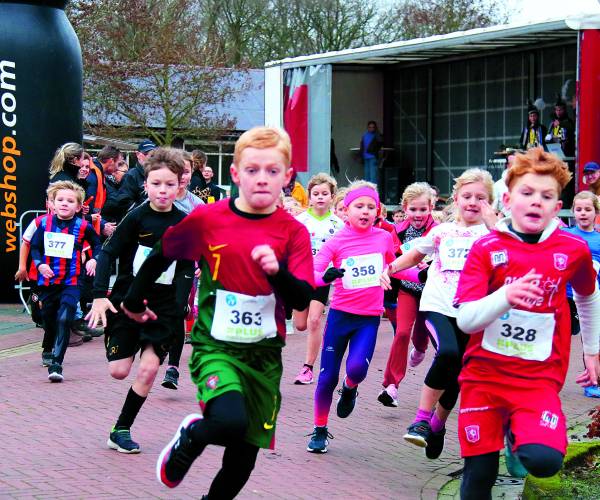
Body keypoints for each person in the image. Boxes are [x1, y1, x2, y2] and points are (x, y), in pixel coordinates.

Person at [117, 127, 314, 496]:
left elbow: (303, 298)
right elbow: (161, 256)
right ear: (236, 174)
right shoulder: (209, 219)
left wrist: (277, 272)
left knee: (243, 458)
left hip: (265, 355)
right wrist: (132, 301)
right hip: (216, 347)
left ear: (287, 177)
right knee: (228, 422)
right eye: (252, 170)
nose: (262, 179)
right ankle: (192, 435)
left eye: (273, 171)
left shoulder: (293, 233)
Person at [453, 148, 600, 498]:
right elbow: (466, 320)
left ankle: (518, 428)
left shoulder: (573, 250)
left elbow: (588, 296)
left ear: (556, 204)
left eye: (547, 196)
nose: (536, 202)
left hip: (537, 379)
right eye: (527, 193)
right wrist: (506, 295)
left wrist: (591, 351)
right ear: (507, 199)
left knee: (543, 459)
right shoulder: (485, 249)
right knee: (480, 475)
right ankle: (501, 429)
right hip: (484, 377)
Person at [382, 169, 497, 460]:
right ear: (456, 198)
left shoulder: (494, 234)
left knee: (457, 373)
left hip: (472, 311)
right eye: (467, 196)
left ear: (490, 202)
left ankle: (438, 425)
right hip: (438, 305)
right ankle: (421, 420)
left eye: (480, 198)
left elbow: (513, 256)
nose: (472, 202)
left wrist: (497, 226)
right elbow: (416, 255)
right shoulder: (442, 231)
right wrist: (392, 269)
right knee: (447, 353)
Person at [86, 147, 192, 454]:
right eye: (156, 184)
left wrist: (180, 304)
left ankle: (121, 429)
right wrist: (98, 296)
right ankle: (122, 342)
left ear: (178, 186)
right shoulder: (136, 217)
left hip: (161, 309)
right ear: (145, 184)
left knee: (148, 370)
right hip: (126, 302)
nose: (162, 190)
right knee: (119, 371)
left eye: (169, 184)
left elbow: (186, 269)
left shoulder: (184, 224)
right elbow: (107, 253)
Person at [306, 181, 396, 453]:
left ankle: (350, 388)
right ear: (345, 211)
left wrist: (421, 275)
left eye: (371, 207)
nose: (365, 211)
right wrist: (326, 277)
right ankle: (320, 429)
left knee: (356, 369)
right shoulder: (336, 241)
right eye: (359, 206)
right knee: (326, 377)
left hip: (367, 318)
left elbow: (396, 267)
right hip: (340, 316)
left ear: (377, 211)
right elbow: (313, 272)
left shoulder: (383, 238)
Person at [29, 181, 101, 381]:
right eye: (60, 200)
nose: (64, 204)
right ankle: (47, 346)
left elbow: (97, 244)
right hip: (49, 280)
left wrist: (94, 259)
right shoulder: (44, 224)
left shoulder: (83, 226)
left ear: (78, 207)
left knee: (65, 318)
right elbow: (35, 247)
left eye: (70, 201)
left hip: (72, 280)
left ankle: (56, 364)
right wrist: (39, 264)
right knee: (49, 318)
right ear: (52, 203)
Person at [377, 183, 437, 407]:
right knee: (402, 333)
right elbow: (393, 260)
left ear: (431, 207)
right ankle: (392, 386)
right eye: (413, 209)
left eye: (423, 209)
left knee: (421, 341)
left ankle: (420, 350)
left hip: (431, 294)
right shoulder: (397, 231)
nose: (418, 215)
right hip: (407, 291)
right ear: (404, 207)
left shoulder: (439, 230)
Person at [293, 173, 344, 385]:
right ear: (310, 197)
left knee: (315, 321)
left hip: (323, 278)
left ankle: (308, 367)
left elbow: (344, 251)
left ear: (332, 197)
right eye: (316, 194)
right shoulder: (300, 221)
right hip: (301, 276)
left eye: (325, 193)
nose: (320, 197)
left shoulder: (339, 224)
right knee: (301, 325)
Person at [161, 151, 203, 390]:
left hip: (185, 266)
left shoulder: (195, 205)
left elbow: (208, 236)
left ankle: (172, 368)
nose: (183, 176)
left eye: (186, 171)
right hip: (158, 267)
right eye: (178, 171)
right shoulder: (154, 200)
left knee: (177, 312)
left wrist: (203, 262)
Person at [563, 191, 600, 398]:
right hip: (567, 297)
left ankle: (592, 382)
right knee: (559, 339)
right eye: (579, 209)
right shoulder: (566, 236)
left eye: (588, 209)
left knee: (591, 341)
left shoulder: (599, 239)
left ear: (596, 212)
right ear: (573, 212)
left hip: (592, 298)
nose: (583, 213)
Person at [102, 139, 157, 222]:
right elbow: (124, 202)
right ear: (138, 154)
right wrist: (145, 213)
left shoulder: (157, 174)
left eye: (153, 155)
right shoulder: (131, 176)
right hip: (139, 222)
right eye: (146, 154)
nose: (150, 157)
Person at [492, 153, 516, 217]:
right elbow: (493, 210)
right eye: (514, 163)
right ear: (507, 165)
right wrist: (503, 214)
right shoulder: (497, 186)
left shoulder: (526, 183)